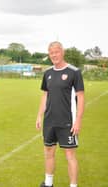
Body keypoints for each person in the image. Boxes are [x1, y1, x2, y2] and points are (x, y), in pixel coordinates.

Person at [36, 41, 85, 187]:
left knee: (70, 155)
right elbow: (45, 95)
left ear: (62, 52)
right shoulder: (48, 73)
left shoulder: (74, 72)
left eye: (56, 52)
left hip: (67, 122)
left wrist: (78, 120)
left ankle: (73, 185)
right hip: (50, 120)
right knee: (49, 151)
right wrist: (39, 115)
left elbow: (81, 97)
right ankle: (48, 183)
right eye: (51, 53)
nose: (54, 55)